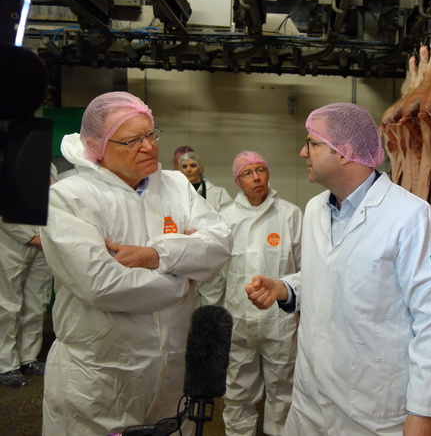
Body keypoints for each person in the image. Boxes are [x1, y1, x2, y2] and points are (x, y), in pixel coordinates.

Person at [246, 103, 431, 435]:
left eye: (312, 143)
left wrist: (421, 410)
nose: (303, 152)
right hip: (310, 401)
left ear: (343, 153)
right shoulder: (316, 208)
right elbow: (331, 277)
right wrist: (284, 288)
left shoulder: (411, 217)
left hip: (372, 410)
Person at [40, 91, 233, 436]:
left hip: (173, 375)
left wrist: (157, 256)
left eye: (150, 134)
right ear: (97, 147)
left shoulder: (175, 186)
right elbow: (102, 285)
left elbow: (220, 245)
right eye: (131, 141)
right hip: (100, 378)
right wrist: (182, 278)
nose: (148, 147)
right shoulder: (70, 198)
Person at [219, 151, 302, 436]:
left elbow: (304, 269)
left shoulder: (290, 214)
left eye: (261, 170)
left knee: (283, 390)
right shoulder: (225, 218)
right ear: (237, 181)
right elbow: (216, 274)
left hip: (279, 320)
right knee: (238, 389)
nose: (256, 178)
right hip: (238, 318)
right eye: (248, 173)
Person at [0, 163, 56, 388]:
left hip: (42, 239)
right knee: (7, 304)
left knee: (37, 301)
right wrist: (30, 237)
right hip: (11, 241)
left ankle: (28, 358)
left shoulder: (47, 164)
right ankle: (6, 365)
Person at [178, 151, 233, 306]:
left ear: (200, 168)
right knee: (187, 311)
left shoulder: (218, 194)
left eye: (193, 165)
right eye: (185, 166)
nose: (189, 170)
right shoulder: (175, 195)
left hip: (212, 259)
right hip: (186, 259)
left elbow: (228, 224)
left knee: (211, 309)